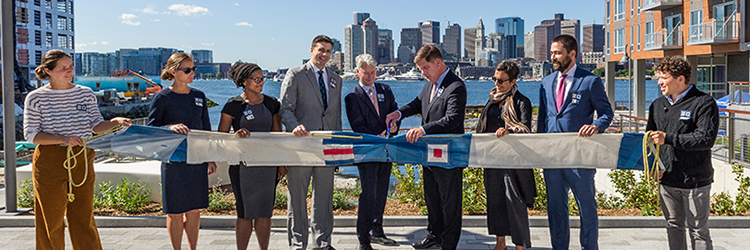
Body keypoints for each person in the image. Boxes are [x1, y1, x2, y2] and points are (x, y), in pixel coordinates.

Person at [23, 49, 132, 250]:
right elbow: (31, 134)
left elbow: (95, 125)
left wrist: (114, 123)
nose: (69, 71)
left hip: (82, 155)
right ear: (48, 70)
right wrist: (62, 138)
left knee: (83, 216)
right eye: (63, 68)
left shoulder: (85, 93)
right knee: (50, 218)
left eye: (71, 66)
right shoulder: (36, 97)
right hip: (50, 159)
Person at [384, 45, 467, 250]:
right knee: (432, 198)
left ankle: (449, 243)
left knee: (450, 202)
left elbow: (453, 119)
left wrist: (423, 129)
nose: (423, 73)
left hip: (449, 155)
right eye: (421, 69)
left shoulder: (455, 86)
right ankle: (433, 236)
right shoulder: (430, 84)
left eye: (425, 68)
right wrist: (399, 114)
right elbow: (416, 104)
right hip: (429, 154)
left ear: (438, 63)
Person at [537, 34, 613, 250]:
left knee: (586, 208)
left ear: (572, 54)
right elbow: (543, 119)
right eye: (552, 53)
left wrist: (597, 126)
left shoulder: (590, 81)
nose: (553, 57)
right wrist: (540, 150)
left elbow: (606, 113)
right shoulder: (546, 82)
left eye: (557, 53)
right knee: (555, 209)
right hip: (552, 157)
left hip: (580, 156)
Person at [647, 56, 719, 250]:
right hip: (667, 181)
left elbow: (705, 139)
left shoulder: (703, 103)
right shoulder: (656, 105)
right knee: (673, 226)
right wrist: (654, 166)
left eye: (664, 77)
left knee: (698, 231)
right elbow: (649, 142)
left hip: (694, 181)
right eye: (659, 77)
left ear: (680, 79)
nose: (660, 82)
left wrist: (668, 138)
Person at [147, 52, 217, 250]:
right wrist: (169, 127)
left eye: (193, 69)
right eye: (187, 70)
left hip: (196, 159)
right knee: (175, 212)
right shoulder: (162, 97)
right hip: (173, 161)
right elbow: (151, 129)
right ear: (172, 71)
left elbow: (205, 130)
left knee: (194, 211)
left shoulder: (199, 96)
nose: (192, 73)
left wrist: (210, 157)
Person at [279, 35, 342, 250]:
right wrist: (294, 125)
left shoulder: (336, 78)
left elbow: (336, 115)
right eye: (321, 50)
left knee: (324, 200)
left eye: (328, 51)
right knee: (297, 198)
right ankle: (298, 244)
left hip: (326, 147)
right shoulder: (296, 74)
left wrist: (338, 147)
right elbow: (285, 109)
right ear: (312, 50)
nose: (324, 55)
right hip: (300, 146)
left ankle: (322, 243)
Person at [218, 62, 287, 250]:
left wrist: (281, 164)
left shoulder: (272, 103)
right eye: (256, 79)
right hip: (242, 167)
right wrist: (235, 137)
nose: (260, 82)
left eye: (262, 79)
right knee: (245, 213)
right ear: (244, 81)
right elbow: (221, 139)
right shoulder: (232, 105)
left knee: (265, 213)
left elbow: (277, 136)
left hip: (267, 166)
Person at [477, 61, 536, 250]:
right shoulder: (492, 99)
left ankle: (520, 245)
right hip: (493, 159)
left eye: (502, 81)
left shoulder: (522, 101)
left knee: (515, 203)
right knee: (495, 201)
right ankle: (500, 243)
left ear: (513, 81)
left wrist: (509, 131)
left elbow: (526, 128)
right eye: (495, 79)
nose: (497, 83)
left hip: (514, 161)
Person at [344, 54, 399, 250]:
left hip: (385, 150)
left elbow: (395, 112)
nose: (370, 77)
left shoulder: (386, 89)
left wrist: (394, 128)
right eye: (366, 73)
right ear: (357, 72)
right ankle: (363, 238)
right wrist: (379, 134)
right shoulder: (352, 97)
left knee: (382, 192)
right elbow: (357, 126)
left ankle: (377, 230)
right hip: (367, 151)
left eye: (373, 72)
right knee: (368, 193)